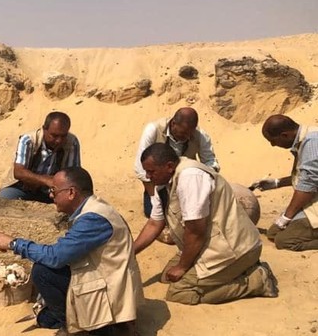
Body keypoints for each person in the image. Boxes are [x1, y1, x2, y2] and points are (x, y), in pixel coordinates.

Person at [0, 167, 142, 336]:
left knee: (42, 272)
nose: (50, 195)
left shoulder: (92, 219)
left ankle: (85, 329)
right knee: (45, 317)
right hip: (106, 279)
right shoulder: (95, 208)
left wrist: (14, 243)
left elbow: (56, 257)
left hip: (111, 292)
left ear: (71, 192)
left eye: (54, 191)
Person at [134, 143, 278, 305]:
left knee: (180, 292)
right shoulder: (163, 183)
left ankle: (257, 280)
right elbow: (154, 224)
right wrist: (130, 252)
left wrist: (182, 266)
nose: (148, 176)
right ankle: (236, 272)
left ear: (169, 166)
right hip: (208, 245)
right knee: (167, 277)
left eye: (151, 172)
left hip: (233, 248)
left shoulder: (190, 177)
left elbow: (195, 231)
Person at [134, 107, 219, 218]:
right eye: (184, 133)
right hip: (157, 184)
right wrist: (154, 197)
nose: (187, 137)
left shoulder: (200, 135)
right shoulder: (153, 129)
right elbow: (140, 168)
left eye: (190, 133)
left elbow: (210, 162)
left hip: (187, 183)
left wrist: (202, 183)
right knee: (153, 215)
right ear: (173, 123)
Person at [249, 115, 318, 251]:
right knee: (273, 233)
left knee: (284, 241)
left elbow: (307, 187)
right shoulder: (305, 139)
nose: (273, 145)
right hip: (312, 198)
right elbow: (306, 176)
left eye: (273, 141)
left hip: (312, 199)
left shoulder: (312, 143)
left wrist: (286, 217)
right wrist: (277, 183)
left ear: (284, 135)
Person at [0, 111, 81, 203]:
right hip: (22, 188)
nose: (58, 140)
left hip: (53, 192)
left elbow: (73, 175)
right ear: (44, 129)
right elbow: (19, 172)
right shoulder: (29, 140)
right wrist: (45, 180)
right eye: (54, 136)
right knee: (3, 200)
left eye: (63, 136)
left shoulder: (72, 142)